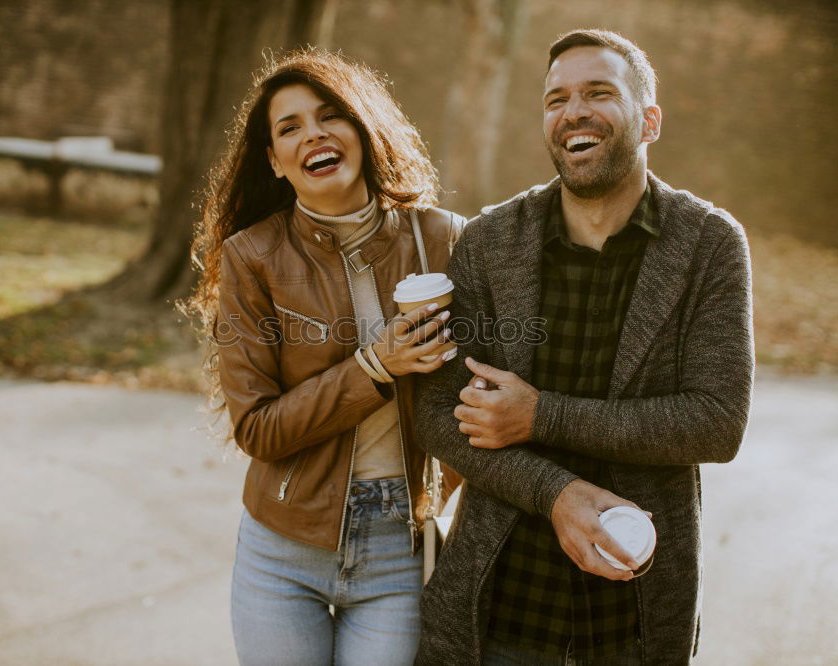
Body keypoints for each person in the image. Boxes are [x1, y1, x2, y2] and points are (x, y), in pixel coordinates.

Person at [414, 30, 754, 665]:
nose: (574, 111)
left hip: (635, 614)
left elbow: (717, 422)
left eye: (600, 93)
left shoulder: (709, 244)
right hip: (500, 608)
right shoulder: (490, 242)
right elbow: (440, 412)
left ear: (649, 120)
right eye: (556, 99)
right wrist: (557, 493)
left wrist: (542, 415)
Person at [187, 50, 464, 666]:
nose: (312, 133)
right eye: (289, 128)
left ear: (363, 129)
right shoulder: (252, 258)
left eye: (330, 115)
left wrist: (444, 496)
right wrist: (374, 368)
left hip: (400, 549)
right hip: (281, 550)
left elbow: (482, 388)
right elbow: (257, 428)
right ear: (276, 163)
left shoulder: (443, 238)